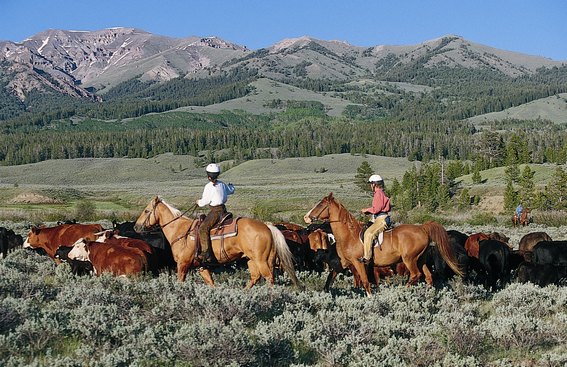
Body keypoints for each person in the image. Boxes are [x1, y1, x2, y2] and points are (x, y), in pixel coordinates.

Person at [196, 163, 235, 263]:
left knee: (203, 228)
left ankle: (206, 253)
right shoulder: (222, 184)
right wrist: (232, 186)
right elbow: (231, 190)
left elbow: (205, 201)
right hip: (224, 210)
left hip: (215, 212)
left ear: (208, 176)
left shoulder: (209, 186)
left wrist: (198, 202)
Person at [359, 174, 391, 264]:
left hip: (381, 219)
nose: (370, 186)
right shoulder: (380, 193)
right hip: (378, 217)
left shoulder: (378, 193)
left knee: (369, 234)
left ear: (374, 184)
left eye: (371, 184)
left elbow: (376, 209)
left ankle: (367, 258)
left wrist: (366, 210)